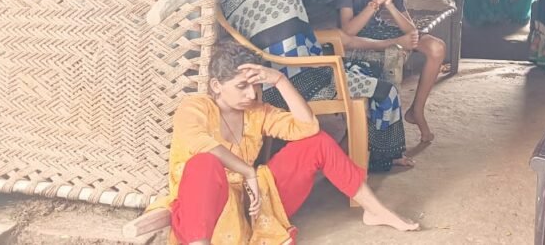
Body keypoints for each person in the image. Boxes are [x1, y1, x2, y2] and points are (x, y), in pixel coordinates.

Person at [147, 41, 418, 244]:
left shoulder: (258, 111)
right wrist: (248, 172)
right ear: (217, 86)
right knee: (204, 163)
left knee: (317, 142)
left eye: (255, 85)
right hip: (204, 214)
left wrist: (279, 80)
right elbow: (199, 142)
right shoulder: (195, 106)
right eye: (241, 86)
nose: (251, 94)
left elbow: (308, 127)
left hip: (254, 206)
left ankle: (375, 211)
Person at [219, 0, 412, 172]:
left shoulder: (231, 7)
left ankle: (359, 144)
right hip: (302, 82)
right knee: (384, 89)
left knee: (370, 72)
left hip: (271, 85)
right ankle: (381, 154)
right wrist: (323, 61)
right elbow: (305, 37)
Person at [337, 0, 447, 143]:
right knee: (391, 58)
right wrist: (376, 2)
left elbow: (411, 30)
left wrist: (389, 5)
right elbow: (348, 30)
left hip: (379, 31)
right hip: (357, 37)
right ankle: (379, 134)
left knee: (436, 47)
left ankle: (416, 111)